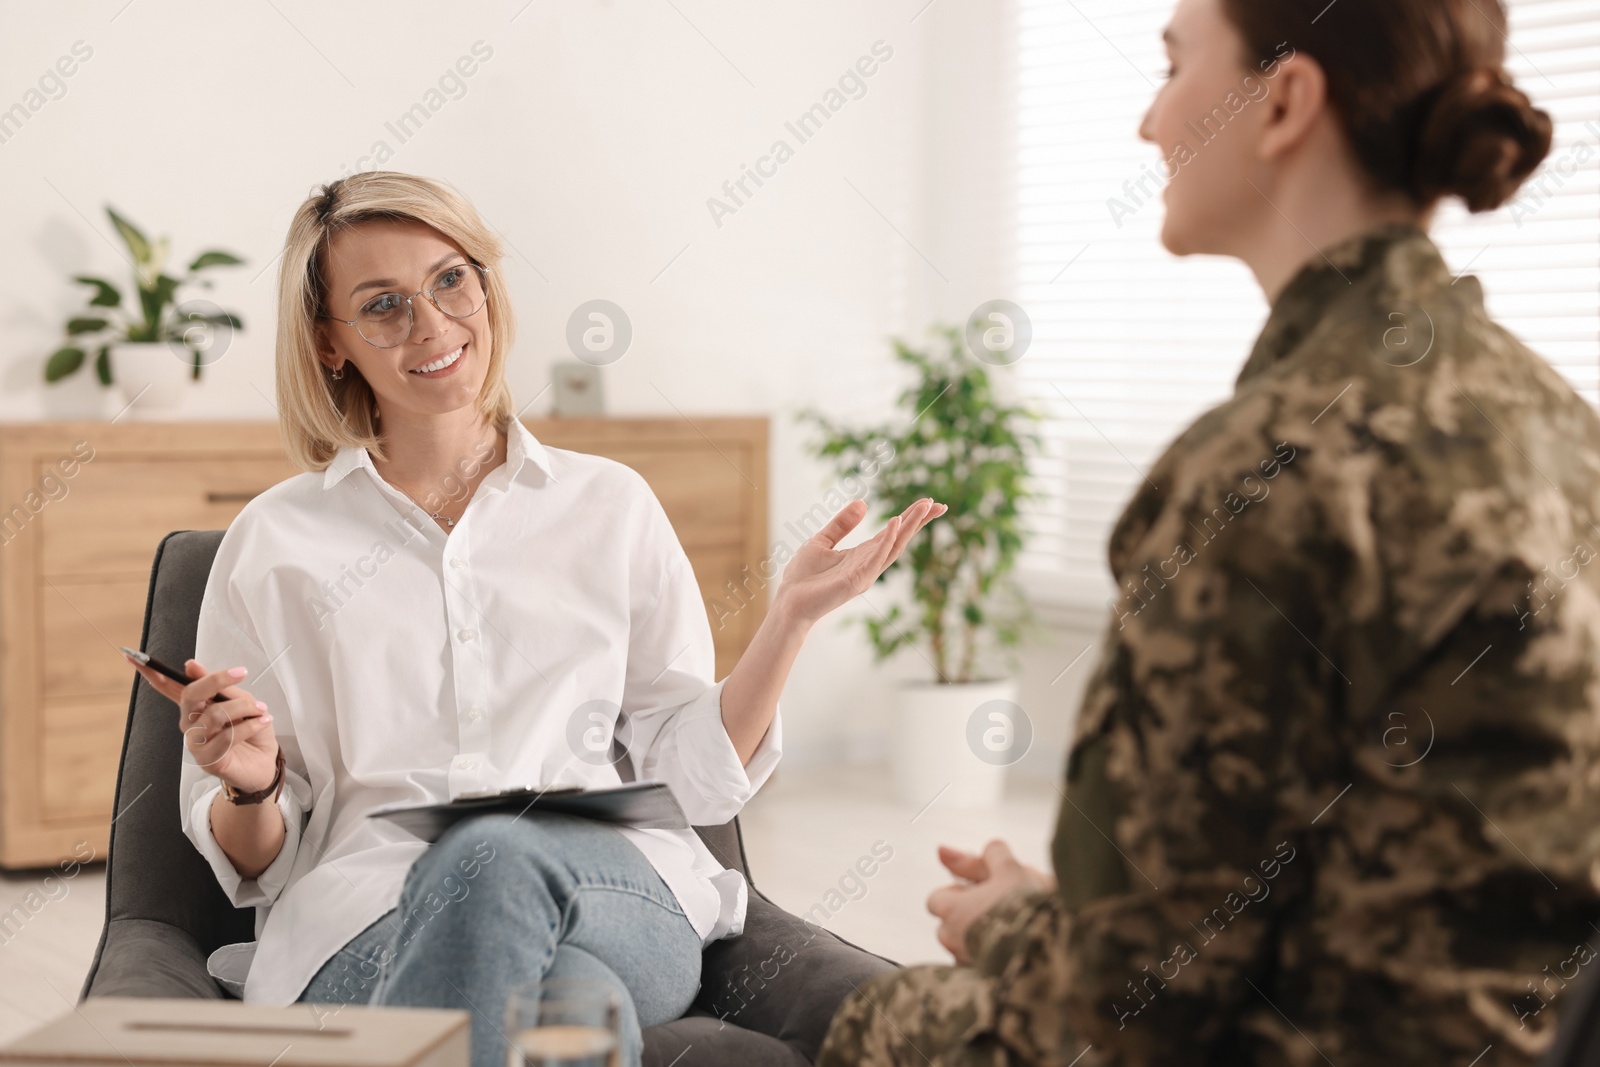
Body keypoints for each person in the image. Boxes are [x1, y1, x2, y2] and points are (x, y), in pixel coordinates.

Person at [817, 0, 1600, 1064]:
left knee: (785, 992)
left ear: (1283, 101)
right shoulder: (1559, 422)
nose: (1149, 121)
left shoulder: (1266, 470)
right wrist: (1032, 921)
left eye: (1175, 63)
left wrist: (862, 1023)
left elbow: (1102, 1033)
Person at [124, 170, 947, 1067]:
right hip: (364, 917)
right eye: (384, 305)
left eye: (450, 279)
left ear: (486, 283)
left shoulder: (610, 504)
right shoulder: (275, 541)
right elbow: (257, 864)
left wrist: (787, 621)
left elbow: (698, 777)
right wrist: (250, 783)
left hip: (614, 888)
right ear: (329, 343)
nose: (433, 324)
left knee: (495, 856)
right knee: (572, 1003)